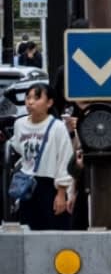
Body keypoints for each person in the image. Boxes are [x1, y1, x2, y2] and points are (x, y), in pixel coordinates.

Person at [7, 82, 75, 229]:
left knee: (54, 232)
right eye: (28, 97)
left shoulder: (57, 127)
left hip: (50, 185)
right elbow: (18, 148)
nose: (30, 102)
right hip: (27, 185)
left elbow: (65, 160)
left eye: (37, 98)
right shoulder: (19, 124)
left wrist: (61, 193)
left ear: (49, 103)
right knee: (28, 232)